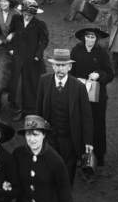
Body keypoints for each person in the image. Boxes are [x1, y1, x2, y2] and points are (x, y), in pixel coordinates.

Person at [34, 48, 94, 182]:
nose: (60, 69)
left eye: (63, 65)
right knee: (49, 171)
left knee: (67, 175)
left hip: (70, 139)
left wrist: (88, 141)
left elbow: (87, 117)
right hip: (50, 138)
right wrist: (36, 133)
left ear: (70, 67)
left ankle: (65, 199)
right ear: (52, 66)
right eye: (57, 65)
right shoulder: (44, 81)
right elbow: (38, 110)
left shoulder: (79, 87)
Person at [69, 27, 113, 167]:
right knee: (80, 123)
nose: (90, 40)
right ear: (83, 38)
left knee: (97, 124)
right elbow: (70, 72)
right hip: (80, 93)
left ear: (97, 39)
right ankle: (81, 154)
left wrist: (99, 74)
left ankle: (98, 156)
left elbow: (110, 74)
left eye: (93, 37)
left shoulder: (102, 53)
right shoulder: (76, 51)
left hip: (98, 96)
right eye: (87, 37)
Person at [7, 0, 47, 118]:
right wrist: (10, 48)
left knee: (31, 85)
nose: (27, 16)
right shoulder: (16, 20)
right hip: (18, 57)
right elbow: (10, 34)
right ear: (22, 12)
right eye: (25, 13)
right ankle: (18, 110)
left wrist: (38, 55)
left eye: (30, 14)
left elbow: (44, 40)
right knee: (17, 85)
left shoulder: (40, 24)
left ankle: (30, 111)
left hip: (32, 60)